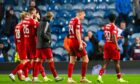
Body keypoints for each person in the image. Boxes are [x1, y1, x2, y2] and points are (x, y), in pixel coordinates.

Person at [97, 14, 128, 83]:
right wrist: (117, 46)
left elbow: (107, 36)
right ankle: (119, 78)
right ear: (115, 19)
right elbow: (113, 36)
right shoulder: (114, 27)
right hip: (113, 45)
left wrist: (118, 37)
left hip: (107, 44)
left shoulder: (106, 26)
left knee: (105, 63)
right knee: (117, 63)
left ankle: (99, 77)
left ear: (109, 19)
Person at [33, 11, 63, 82]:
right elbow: (43, 33)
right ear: (51, 17)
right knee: (51, 61)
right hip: (45, 46)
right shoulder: (46, 23)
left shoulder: (40, 22)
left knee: (38, 61)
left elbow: (37, 33)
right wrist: (49, 39)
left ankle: (35, 77)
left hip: (39, 45)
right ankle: (56, 77)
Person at [67, 10, 92, 83]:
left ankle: (69, 78)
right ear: (80, 14)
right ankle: (83, 77)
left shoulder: (71, 20)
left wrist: (81, 41)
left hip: (71, 41)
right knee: (86, 59)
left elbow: (72, 32)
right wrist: (80, 43)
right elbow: (77, 32)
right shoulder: (77, 20)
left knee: (72, 60)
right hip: (76, 42)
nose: (84, 16)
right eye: (84, 15)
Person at [9, 12, 29, 81]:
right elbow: (26, 36)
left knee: (24, 61)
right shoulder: (24, 26)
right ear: (25, 17)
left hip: (18, 45)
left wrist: (16, 46)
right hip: (23, 45)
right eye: (27, 17)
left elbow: (15, 38)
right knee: (24, 61)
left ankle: (24, 75)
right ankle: (13, 73)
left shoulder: (17, 25)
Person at [21, 7, 39, 81]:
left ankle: (26, 76)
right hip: (32, 42)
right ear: (33, 12)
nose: (36, 13)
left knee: (28, 59)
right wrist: (37, 19)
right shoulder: (32, 21)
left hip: (25, 42)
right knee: (35, 59)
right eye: (35, 12)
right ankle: (33, 77)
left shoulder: (23, 21)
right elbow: (38, 29)